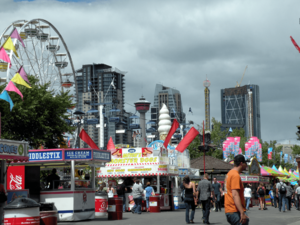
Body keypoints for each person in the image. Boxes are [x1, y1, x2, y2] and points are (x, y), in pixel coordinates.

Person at [224, 154, 249, 225]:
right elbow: (235, 194)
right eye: (245, 163)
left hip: (230, 209)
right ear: (241, 163)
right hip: (235, 210)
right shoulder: (235, 175)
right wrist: (242, 212)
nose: (246, 165)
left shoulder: (229, 173)